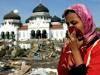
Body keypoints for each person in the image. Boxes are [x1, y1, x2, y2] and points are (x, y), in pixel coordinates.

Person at [58, 3, 100, 75]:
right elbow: (61, 72)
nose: (70, 27)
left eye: (74, 23)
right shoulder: (68, 46)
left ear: (86, 22)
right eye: (68, 24)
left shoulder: (97, 47)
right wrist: (68, 53)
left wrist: (75, 52)